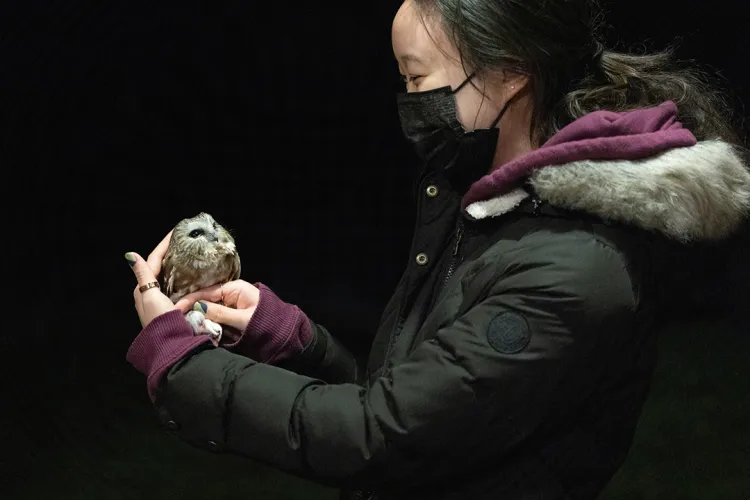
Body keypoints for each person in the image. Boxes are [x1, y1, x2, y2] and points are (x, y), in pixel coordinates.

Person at [125, 1, 750, 498]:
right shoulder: (478, 205)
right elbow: (421, 405)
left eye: (417, 76)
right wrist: (294, 341)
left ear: (508, 74)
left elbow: (383, 438)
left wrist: (184, 366)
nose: (408, 100)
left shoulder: (574, 266)